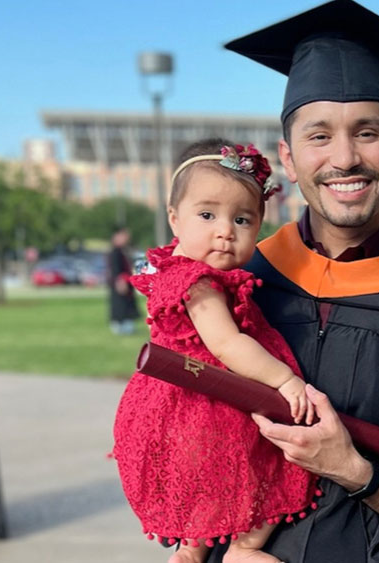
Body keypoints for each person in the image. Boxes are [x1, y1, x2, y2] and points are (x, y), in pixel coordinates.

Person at [207, 1, 379, 561]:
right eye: (319, 137)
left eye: (367, 132)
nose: (345, 157)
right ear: (287, 158)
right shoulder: (237, 289)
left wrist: (357, 473)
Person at [113, 139, 320, 563]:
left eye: (242, 219)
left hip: (174, 403)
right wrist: (285, 379)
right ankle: (243, 550)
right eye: (207, 215)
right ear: (174, 218)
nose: (225, 230)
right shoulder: (201, 284)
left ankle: (192, 548)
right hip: (208, 401)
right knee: (278, 465)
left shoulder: (172, 267)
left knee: (204, 483)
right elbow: (226, 345)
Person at [108, 226, 139, 334]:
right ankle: (119, 326)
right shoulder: (115, 252)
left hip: (126, 281)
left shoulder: (124, 251)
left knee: (127, 304)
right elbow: (115, 270)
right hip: (120, 282)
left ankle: (127, 325)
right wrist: (120, 281)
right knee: (119, 305)